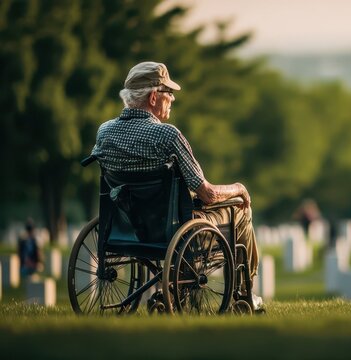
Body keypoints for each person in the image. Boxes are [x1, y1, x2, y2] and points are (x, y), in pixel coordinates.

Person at [90, 61, 262, 309]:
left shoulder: (105, 132)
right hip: (173, 229)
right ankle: (245, 293)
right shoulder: (167, 135)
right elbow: (208, 194)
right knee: (241, 212)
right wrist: (239, 188)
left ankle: (177, 292)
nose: (172, 99)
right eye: (168, 93)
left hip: (129, 228)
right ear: (153, 97)